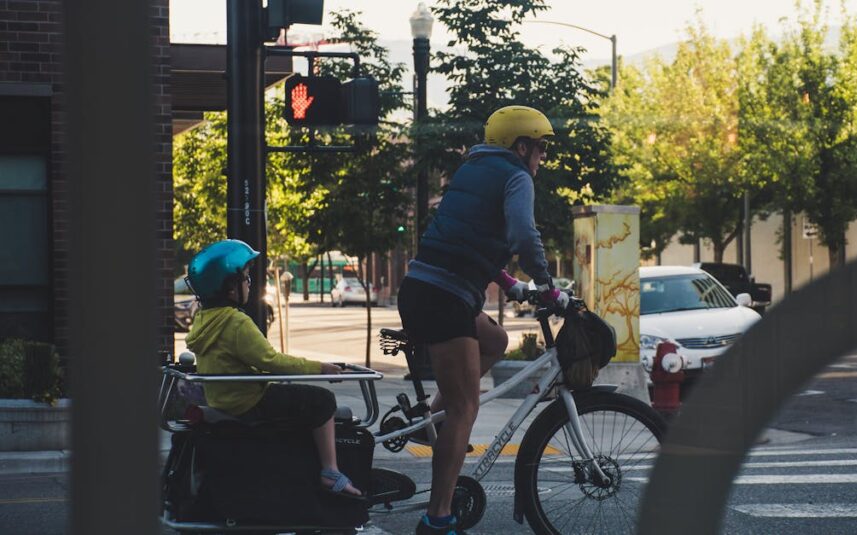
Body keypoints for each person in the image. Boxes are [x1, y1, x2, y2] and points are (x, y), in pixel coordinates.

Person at [398, 105, 570, 534]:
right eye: (541, 148)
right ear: (522, 145)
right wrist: (546, 286)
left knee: (495, 341)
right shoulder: (516, 176)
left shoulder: (473, 169)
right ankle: (437, 518)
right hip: (445, 298)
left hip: (424, 289)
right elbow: (523, 234)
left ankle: (429, 427)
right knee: (466, 407)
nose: (543, 158)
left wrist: (510, 284)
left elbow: (467, 238)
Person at [184, 239, 362, 499]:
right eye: (245, 278)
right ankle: (330, 471)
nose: (249, 283)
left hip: (223, 400)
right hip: (250, 402)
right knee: (322, 400)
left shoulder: (203, 319)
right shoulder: (235, 322)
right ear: (230, 288)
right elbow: (271, 361)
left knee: (294, 399)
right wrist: (319, 368)